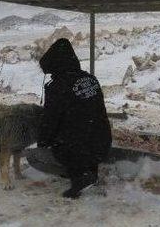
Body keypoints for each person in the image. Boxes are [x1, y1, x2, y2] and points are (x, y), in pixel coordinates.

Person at [37, 38, 112, 198]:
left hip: (77, 148)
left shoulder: (57, 87)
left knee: (64, 143)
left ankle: (79, 178)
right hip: (103, 142)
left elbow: (50, 120)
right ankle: (91, 173)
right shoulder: (90, 79)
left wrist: (43, 142)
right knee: (85, 130)